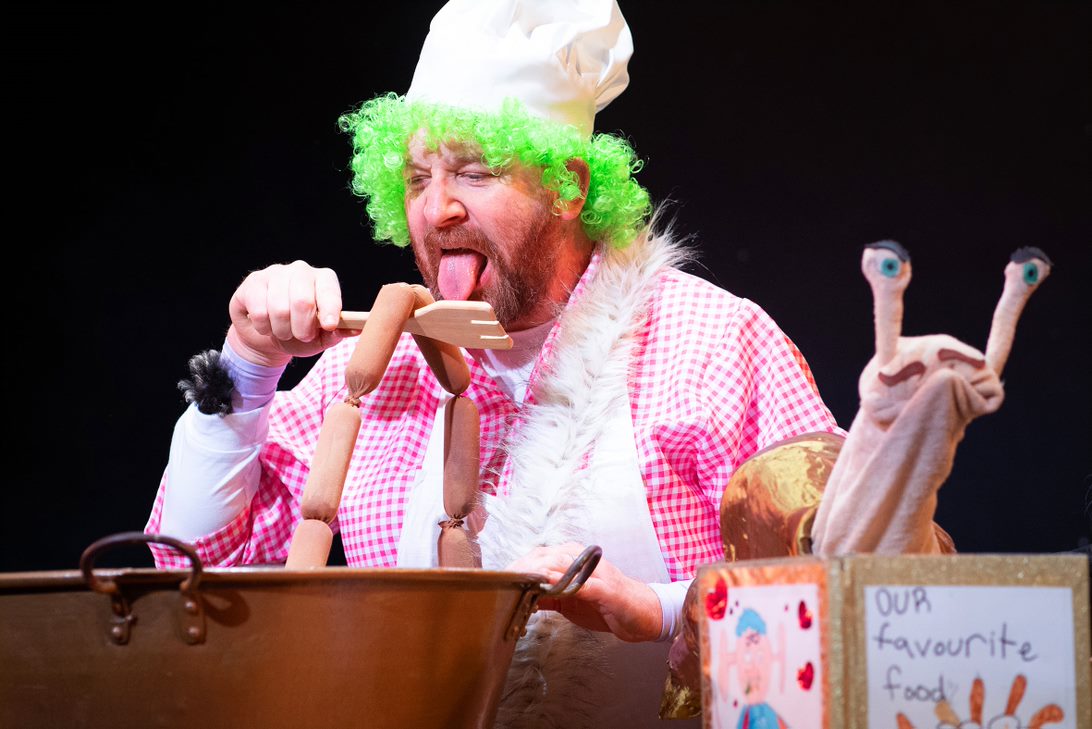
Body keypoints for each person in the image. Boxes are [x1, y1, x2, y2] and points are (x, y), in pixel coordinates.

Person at [147, 1, 839, 725]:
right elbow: (193, 579)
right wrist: (249, 363)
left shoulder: (713, 342)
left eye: (474, 172)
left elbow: (847, 579)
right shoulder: (374, 370)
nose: (437, 209)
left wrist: (657, 609)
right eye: (417, 179)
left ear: (569, 186)